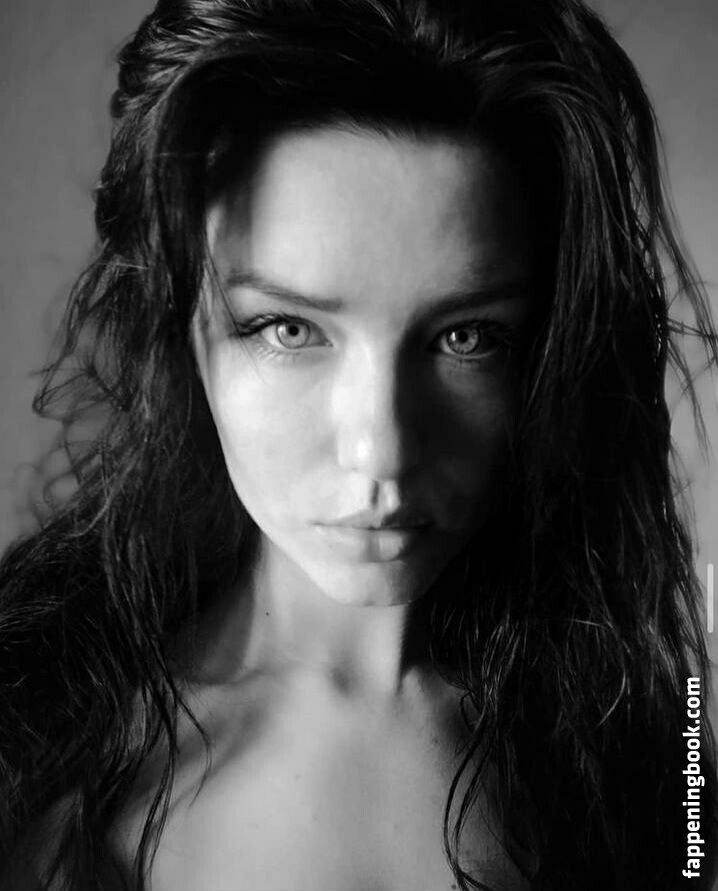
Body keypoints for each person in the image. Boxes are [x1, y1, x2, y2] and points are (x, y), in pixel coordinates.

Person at [1, 0, 716, 888]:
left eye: (467, 337)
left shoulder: (647, 749)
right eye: (288, 329)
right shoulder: (38, 764)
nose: (382, 455)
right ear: (180, 328)